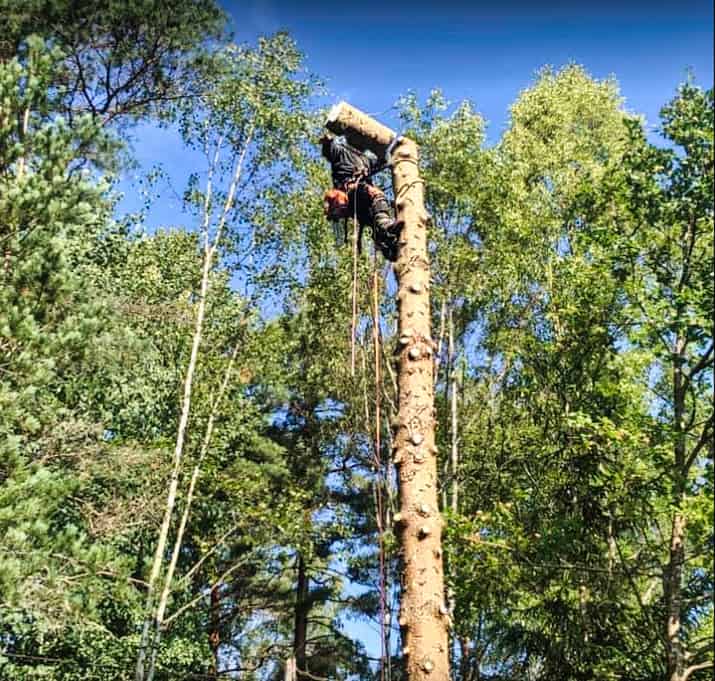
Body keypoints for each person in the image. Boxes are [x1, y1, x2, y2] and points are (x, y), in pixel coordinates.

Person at [320, 133, 402, 261]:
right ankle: (386, 226)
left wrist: (392, 149)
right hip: (351, 192)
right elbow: (329, 150)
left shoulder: (366, 159)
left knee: (372, 217)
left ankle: (387, 242)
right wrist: (327, 142)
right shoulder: (341, 151)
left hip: (361, 202)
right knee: (375, 194)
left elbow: (383, 161)